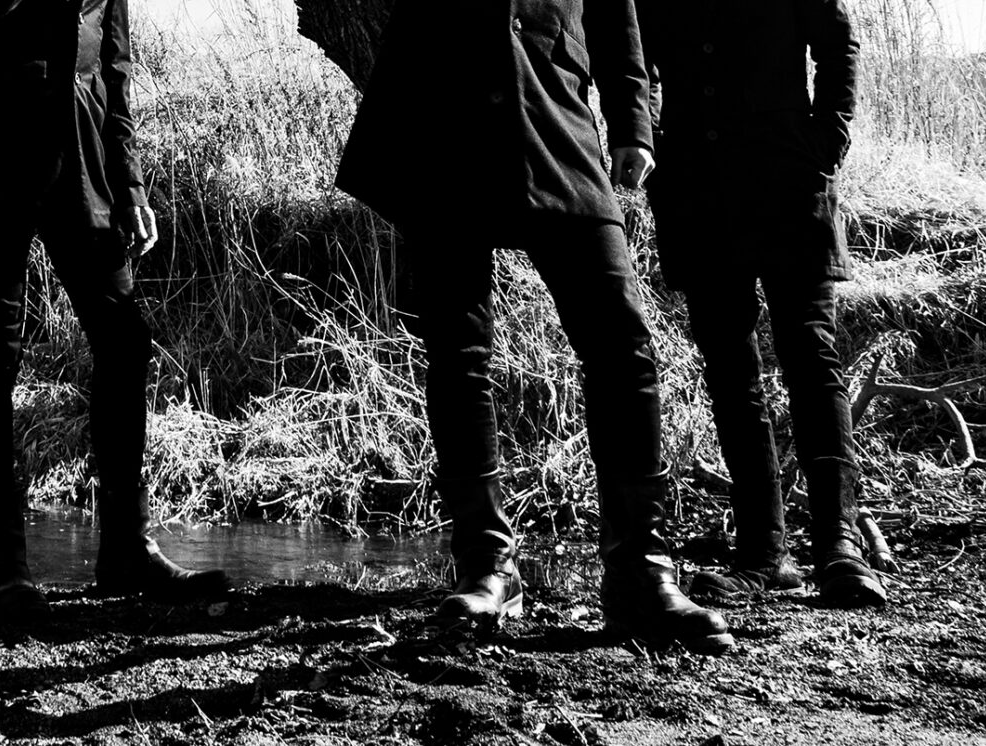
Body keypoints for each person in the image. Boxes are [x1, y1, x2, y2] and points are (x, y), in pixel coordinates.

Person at [338, 0, 731, 654]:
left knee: (623, 344)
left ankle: (640, 572)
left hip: (555, 114)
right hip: (441, 117)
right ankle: (486, 567)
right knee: (458, 353)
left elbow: (614, 12)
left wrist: (632, 122)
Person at [0, 0, 228, 611]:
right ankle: (3, 562)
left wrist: (129, 183)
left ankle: (126, 550)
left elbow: (114, 69)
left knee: (124, 342)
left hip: (85, 157)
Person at [639, 0, 892, 609]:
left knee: (811, 355)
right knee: (730, 369)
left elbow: (837, 43)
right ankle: (763, 554)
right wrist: (652, 141)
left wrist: (829, 135)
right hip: (694, 187)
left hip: (788, 177)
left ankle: (839, 548)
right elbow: (634, 61)